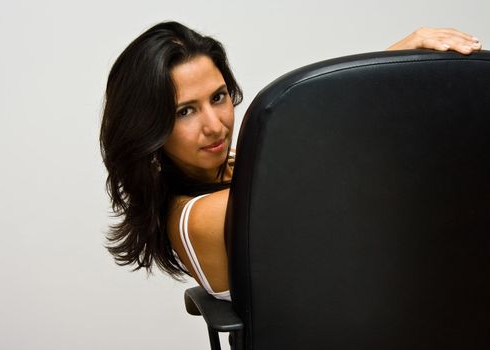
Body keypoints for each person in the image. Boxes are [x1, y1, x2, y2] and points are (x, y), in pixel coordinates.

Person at [99, 22, 482, 301]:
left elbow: (317, 137)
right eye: (185, 112)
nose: (215, 126)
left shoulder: (235, 166)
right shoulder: (197, 218)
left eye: (218, 97)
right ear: (149, 127)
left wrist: (399, 54)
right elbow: (328, 159)